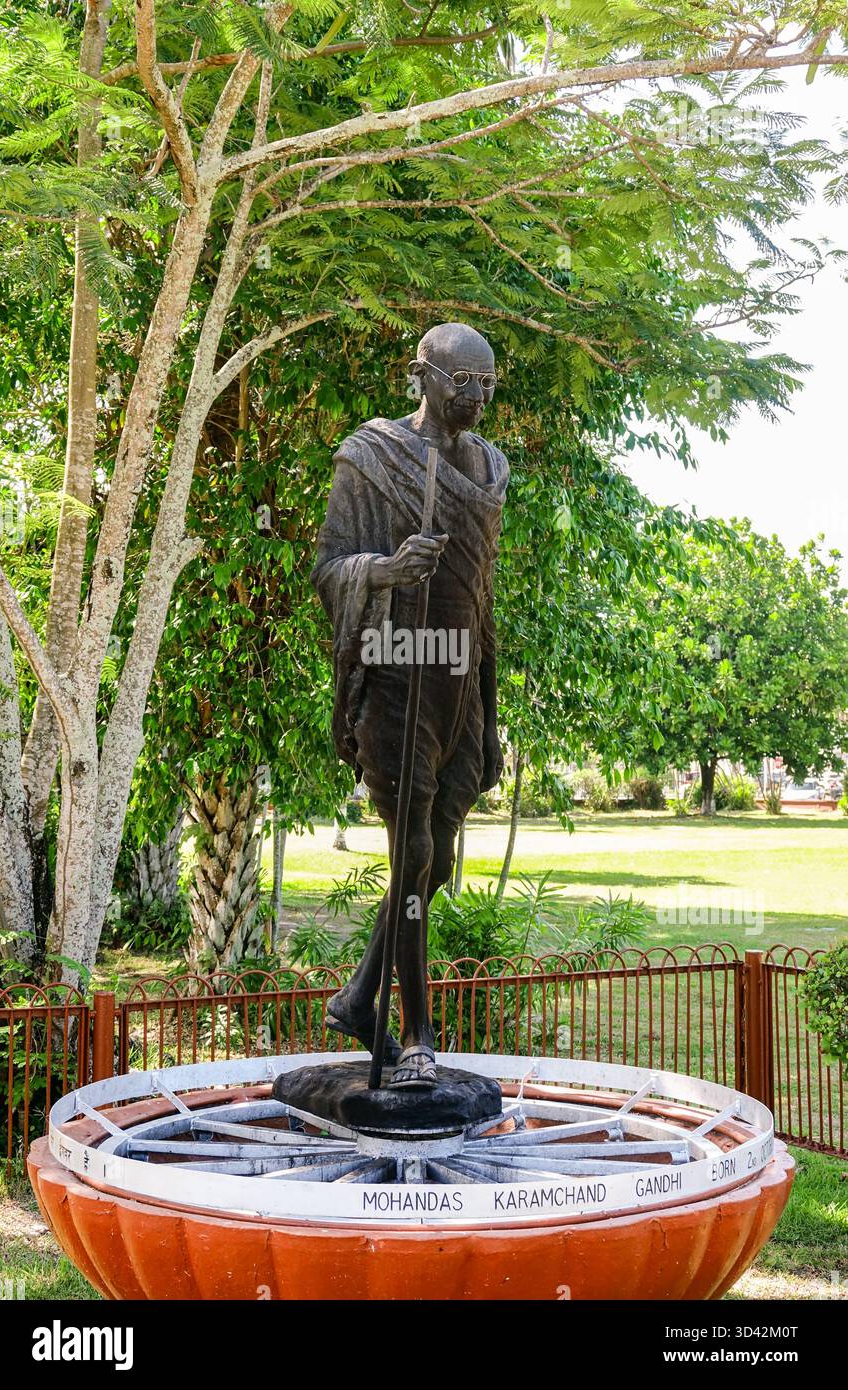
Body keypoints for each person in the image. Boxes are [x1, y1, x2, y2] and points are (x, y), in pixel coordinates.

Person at [311, 322, 508, 1087]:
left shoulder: (490, 467)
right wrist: (387, 571)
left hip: (457, 676)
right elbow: (332, 568)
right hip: (397, 675)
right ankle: (418, 1033)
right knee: (413, 850)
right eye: (463, 383)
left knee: (439, 858)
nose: (477, 399)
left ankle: (362, 997)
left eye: (488, 385)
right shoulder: (373, 456)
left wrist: (488, 718)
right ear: (420, 377)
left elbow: (484, 600)